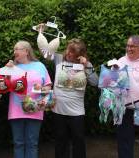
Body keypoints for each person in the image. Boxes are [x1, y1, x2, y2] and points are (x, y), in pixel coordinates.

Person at [36, 24, 98, 158]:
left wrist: (86, 66)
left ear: (80, 54)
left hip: (77, 111)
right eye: (69, 50)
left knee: (78, 141)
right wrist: (41, 32)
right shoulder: (59, 59)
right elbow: (45, 52)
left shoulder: (86, 64)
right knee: (60, 141)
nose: (69, 54)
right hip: (58, 109)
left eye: (73, 52)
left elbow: (95, 82)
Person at [6, 40, 52, 158]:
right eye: (14, 49)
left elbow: (48, 87)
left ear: (26, 51)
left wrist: (41, 88)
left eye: (17, 49)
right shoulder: (12, 67)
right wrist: (6, 72)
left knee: (32, 144)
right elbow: (4, 86)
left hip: (35, 109)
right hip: (16, 111)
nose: (14, 51)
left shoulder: (40, 66)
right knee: (18, 143)